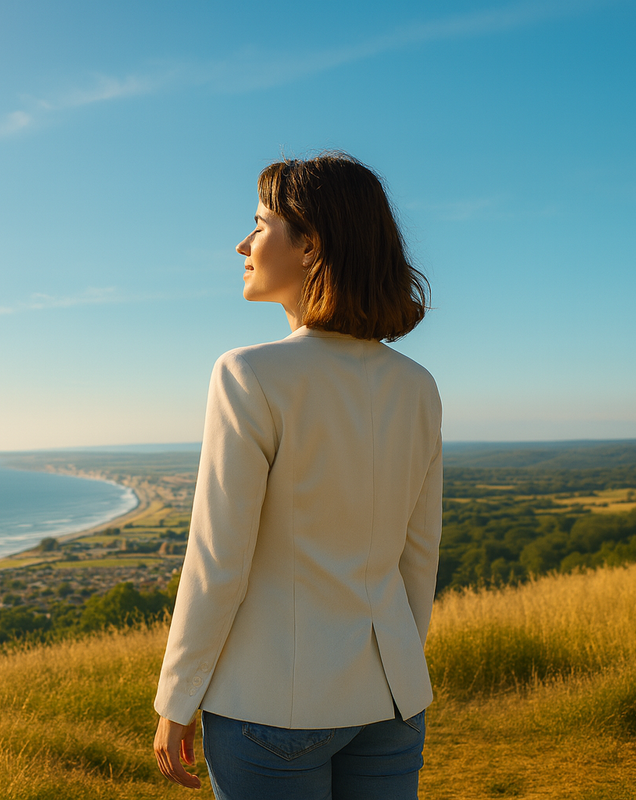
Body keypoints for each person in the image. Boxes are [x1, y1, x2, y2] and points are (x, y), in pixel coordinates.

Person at [152, 152, 442, 799]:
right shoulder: (417, 387)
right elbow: (418, 559)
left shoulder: (247, 374)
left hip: (269, 704)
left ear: (310, 244)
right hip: (392, 699)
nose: (243, 243)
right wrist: (393, 668)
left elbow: (217, 560)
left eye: (259, 224)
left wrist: (178, 695)